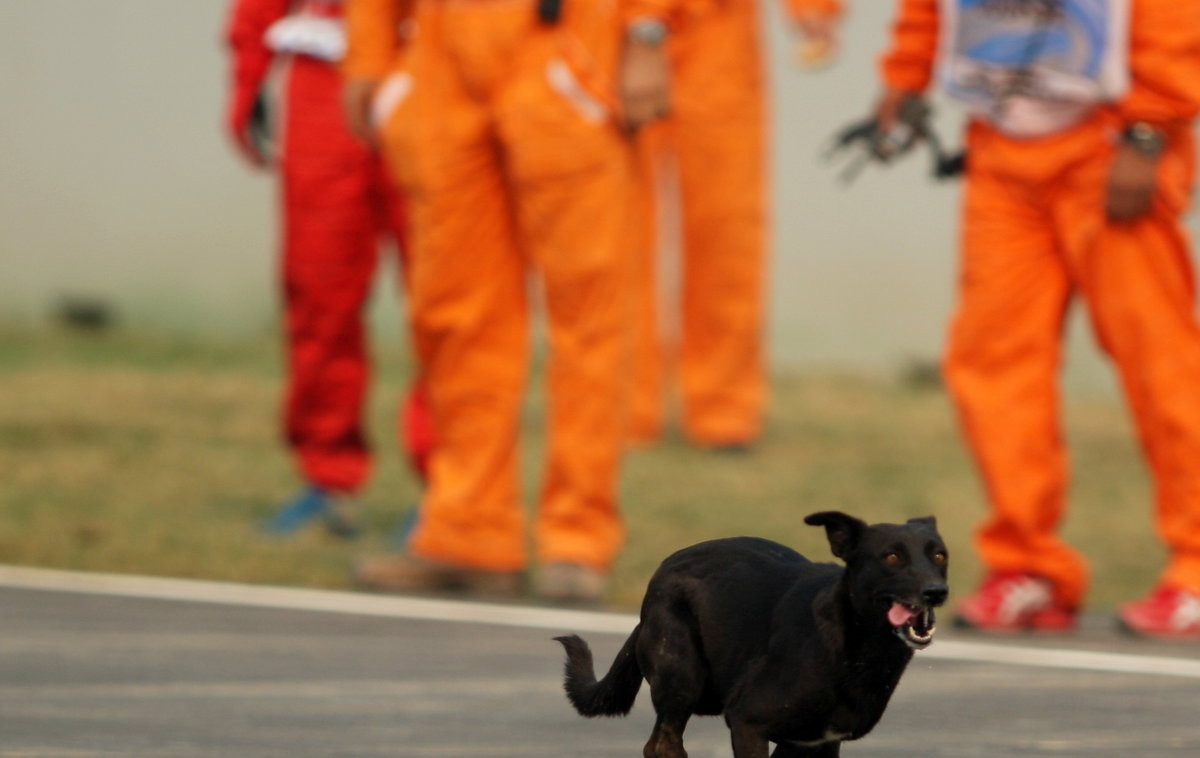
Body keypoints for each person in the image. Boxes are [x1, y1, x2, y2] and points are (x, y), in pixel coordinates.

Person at [872, 0, 1200, 638]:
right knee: (994, 362)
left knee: (1161, 361)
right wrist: (906, 74)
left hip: (1108, 144)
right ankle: (1028, 566)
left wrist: (1150, 129)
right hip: (1001, 145)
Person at [343, 0, 658, 604]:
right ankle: (469, 536)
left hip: (563, 47)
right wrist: (369, 53)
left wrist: (647, 33)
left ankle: (576, 540)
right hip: (438, 59)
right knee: (454, 317)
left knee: (589, 319)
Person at [224, 0, 429, 538]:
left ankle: (454, 491)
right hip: (326, 72)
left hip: (434, 62)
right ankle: (327, 477)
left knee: (446, 299)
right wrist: (249, 68)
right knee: (318, 288)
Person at [622, 0, 844, 451]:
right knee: (617, 231)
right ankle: (622, 406)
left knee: (727, 232)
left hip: (718, 32)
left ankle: (722, 408)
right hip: (614, 32)